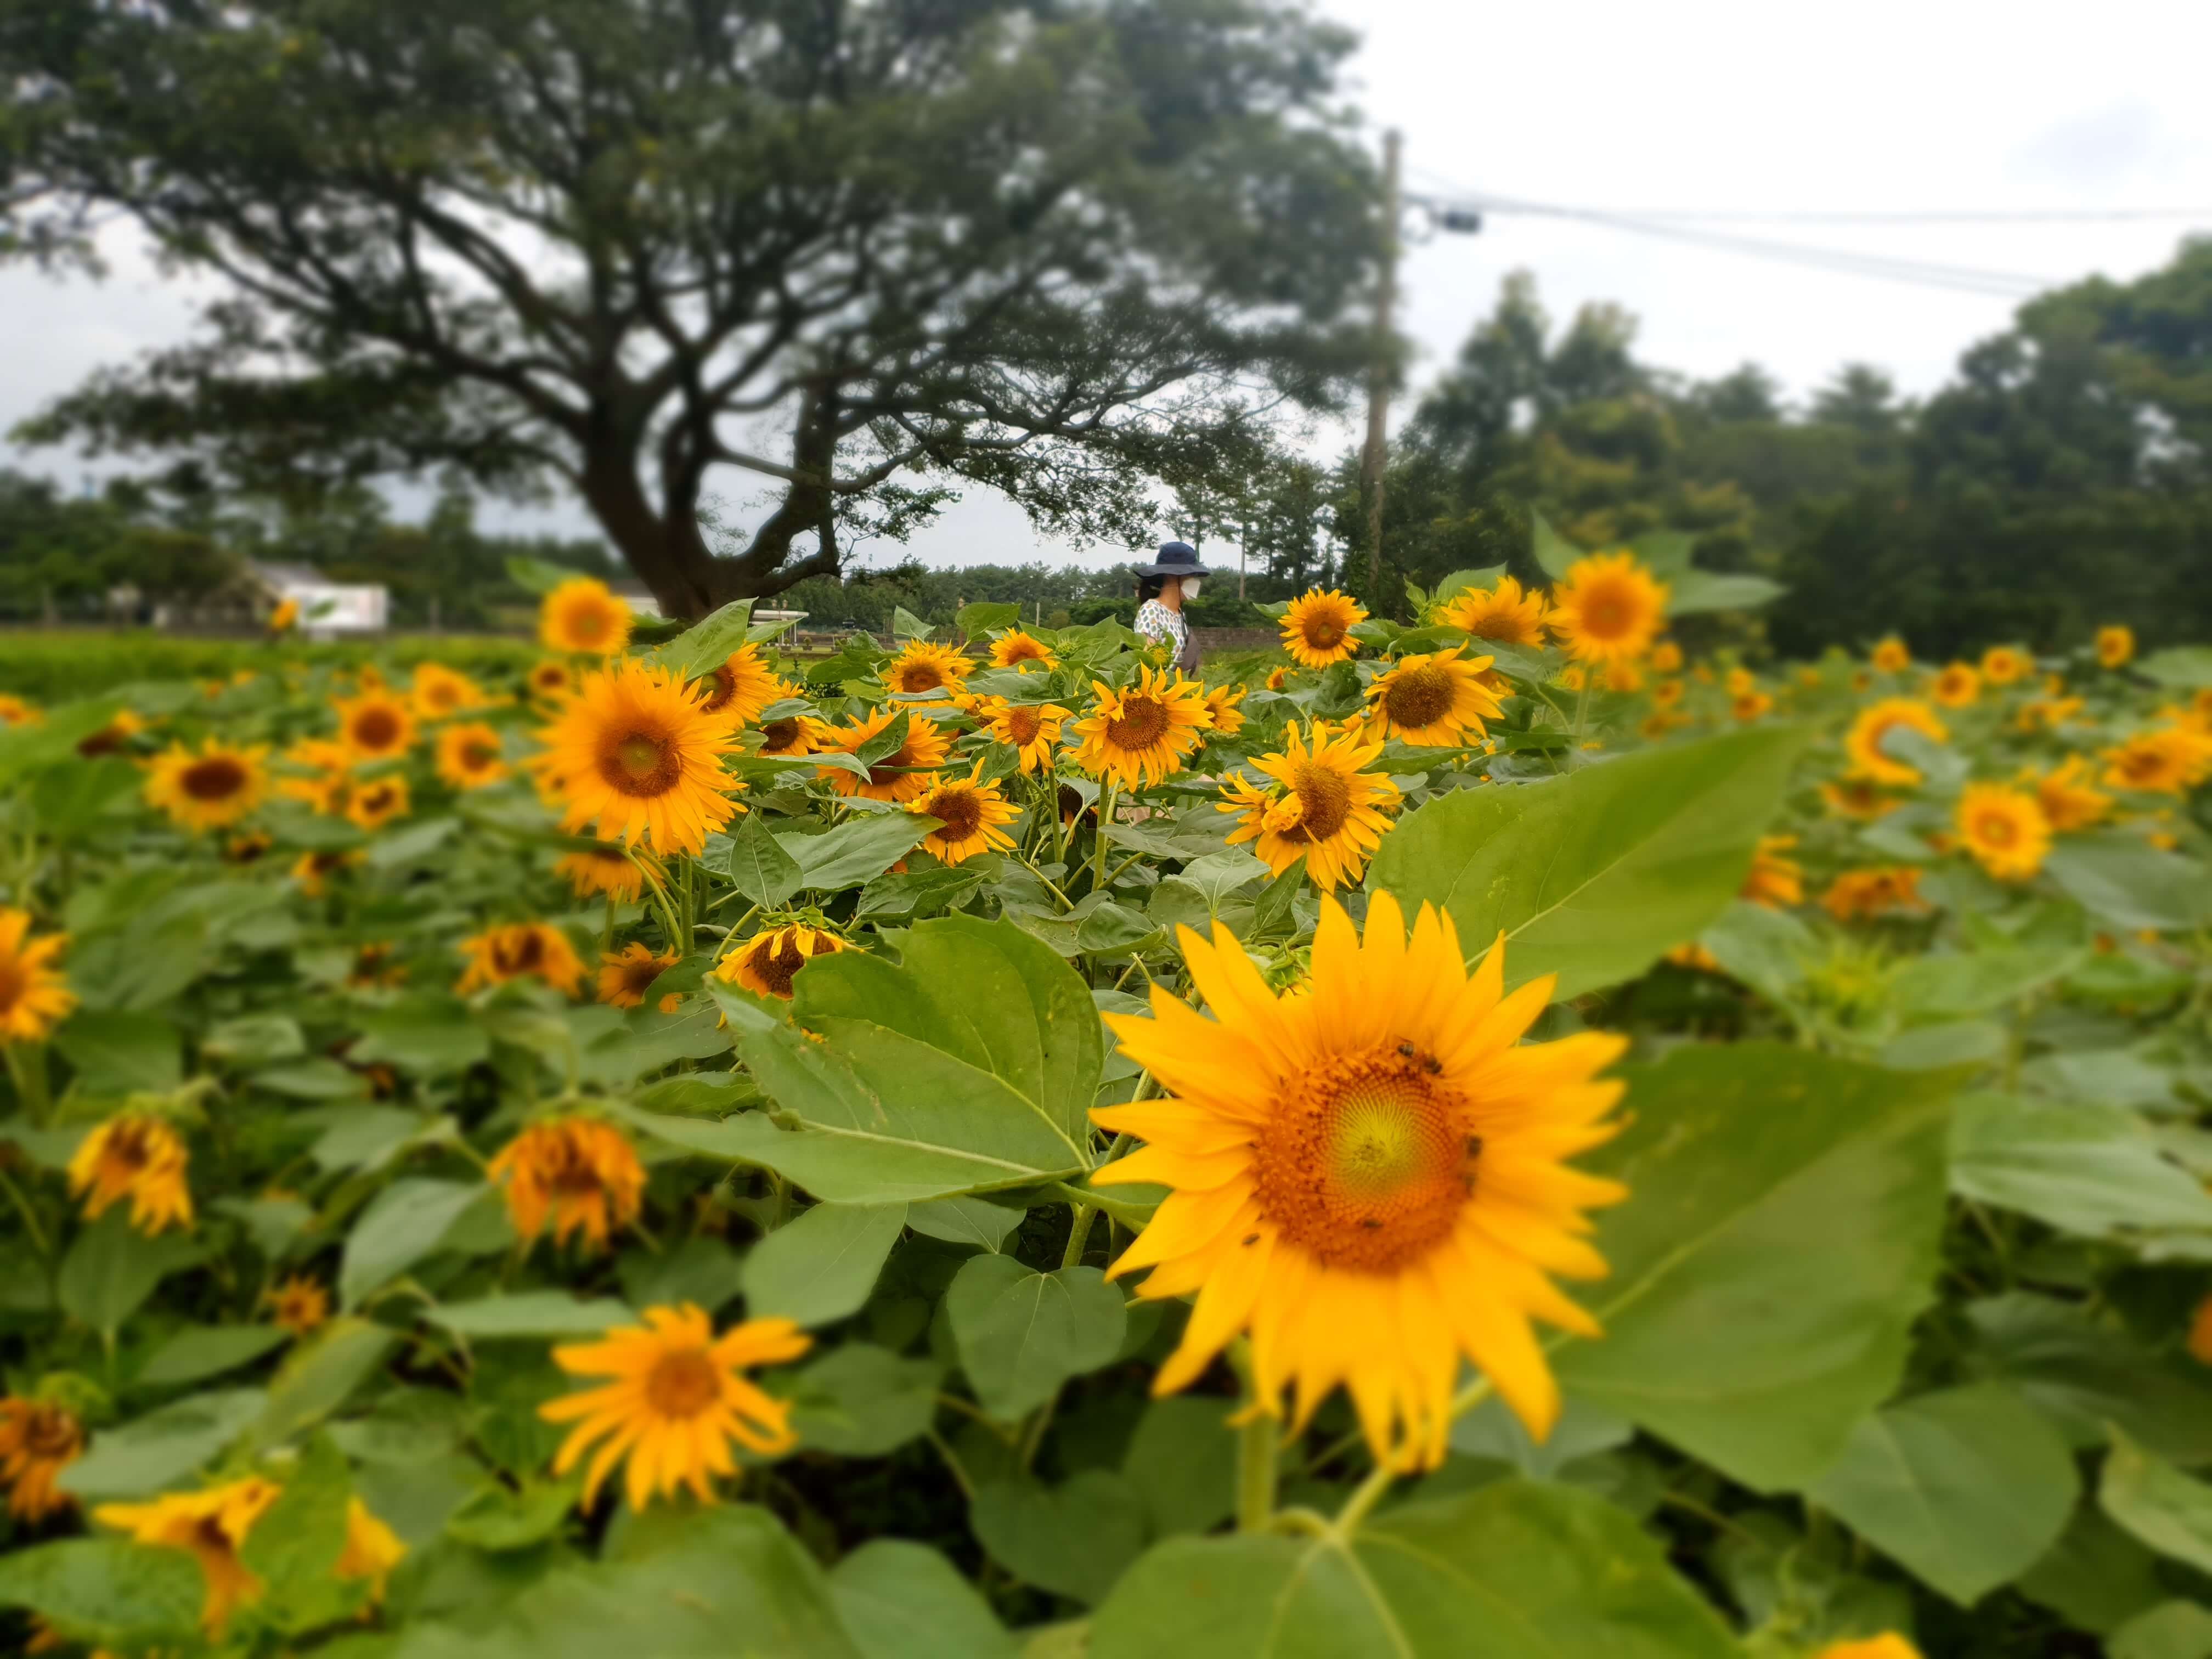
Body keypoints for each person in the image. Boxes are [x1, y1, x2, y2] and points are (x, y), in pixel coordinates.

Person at [1131, 541, 1207, 674]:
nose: (1196, 582)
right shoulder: (1151, 611)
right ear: (1173, 576)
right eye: (1192, 575)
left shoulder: (1180, 615)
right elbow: (1145, 665)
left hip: (1175, 692)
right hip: (1156, 693)